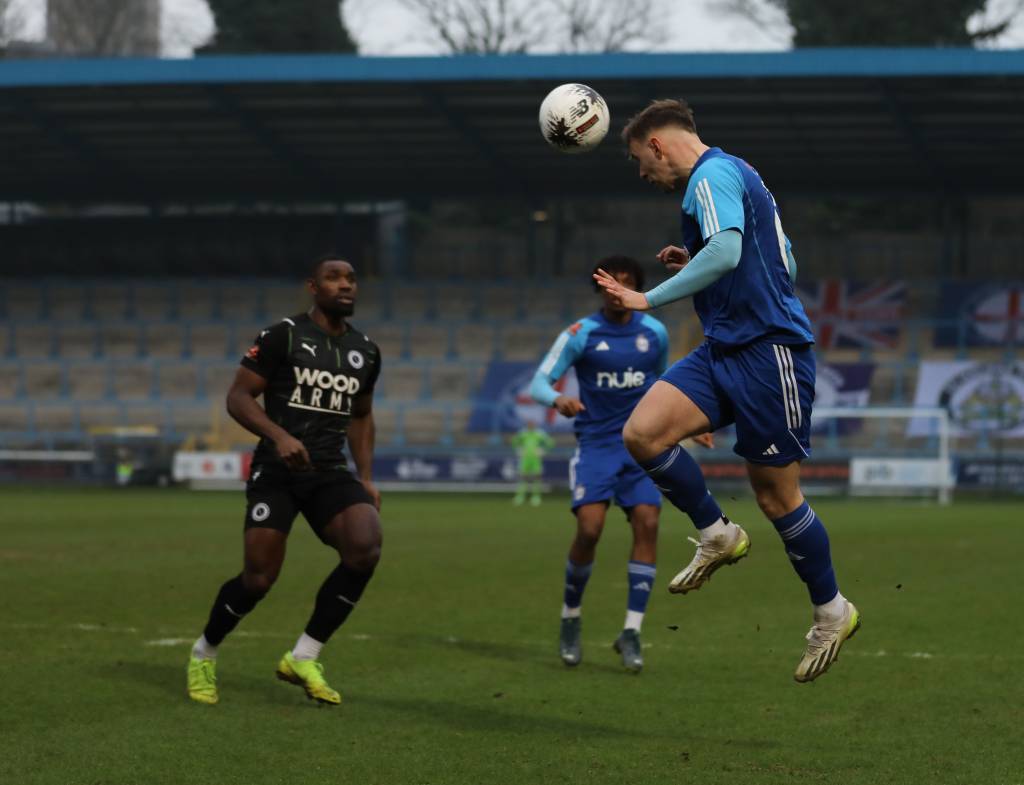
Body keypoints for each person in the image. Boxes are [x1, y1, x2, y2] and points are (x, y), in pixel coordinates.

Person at [594, 99, 859, 683]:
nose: (643, 173)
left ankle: (831, 611)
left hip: (768, 353)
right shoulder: (737, 173)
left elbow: (730, 252)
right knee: (643, 433)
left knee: (777, 499)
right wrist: (698, 259)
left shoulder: (710, 175)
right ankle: (717, 533)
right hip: (724, 349)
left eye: (640, 160)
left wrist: (648, 297)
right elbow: (781, 260)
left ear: (657, 144)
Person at [186, 255, 382, 705]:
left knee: (365, 547)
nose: (345, 285)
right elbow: (239, 397)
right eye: (334, 278)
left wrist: (367, 477)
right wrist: (279, 436)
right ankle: (204, 652)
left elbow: (362, 415)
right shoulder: (284, 335)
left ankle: (304, 656)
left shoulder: (366, 351)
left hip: (328, 470)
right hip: (277, 470)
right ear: (313, 286)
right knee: (258, 580)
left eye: (351, 278)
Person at [530, 256, 671, 672]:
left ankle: (631, 631)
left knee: (648, 523)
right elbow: (539, 382)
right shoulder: (581, 333)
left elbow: (664, 384)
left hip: (641, 447)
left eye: (625, 282)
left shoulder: (655, 332)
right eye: (609, 283)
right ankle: (570, 618)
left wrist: (686, 422)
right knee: (589, 529)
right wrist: (558, 398)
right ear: (599, 289)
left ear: (637, 288)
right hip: (596, 446)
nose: (617, 290)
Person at [510, 420, 554, 506]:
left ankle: (536, 497)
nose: (531, 425)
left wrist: (543, 451)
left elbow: (550, 442)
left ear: (535, 425)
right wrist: (518, 450)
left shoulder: (540, 433)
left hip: (535, 459)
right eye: (529, 424)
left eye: (532, 424)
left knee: (536, 478)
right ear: (527, 425)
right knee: (523, 478)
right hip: (525, 458)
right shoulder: (523, 433)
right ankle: (520, 497)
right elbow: (514, 441)